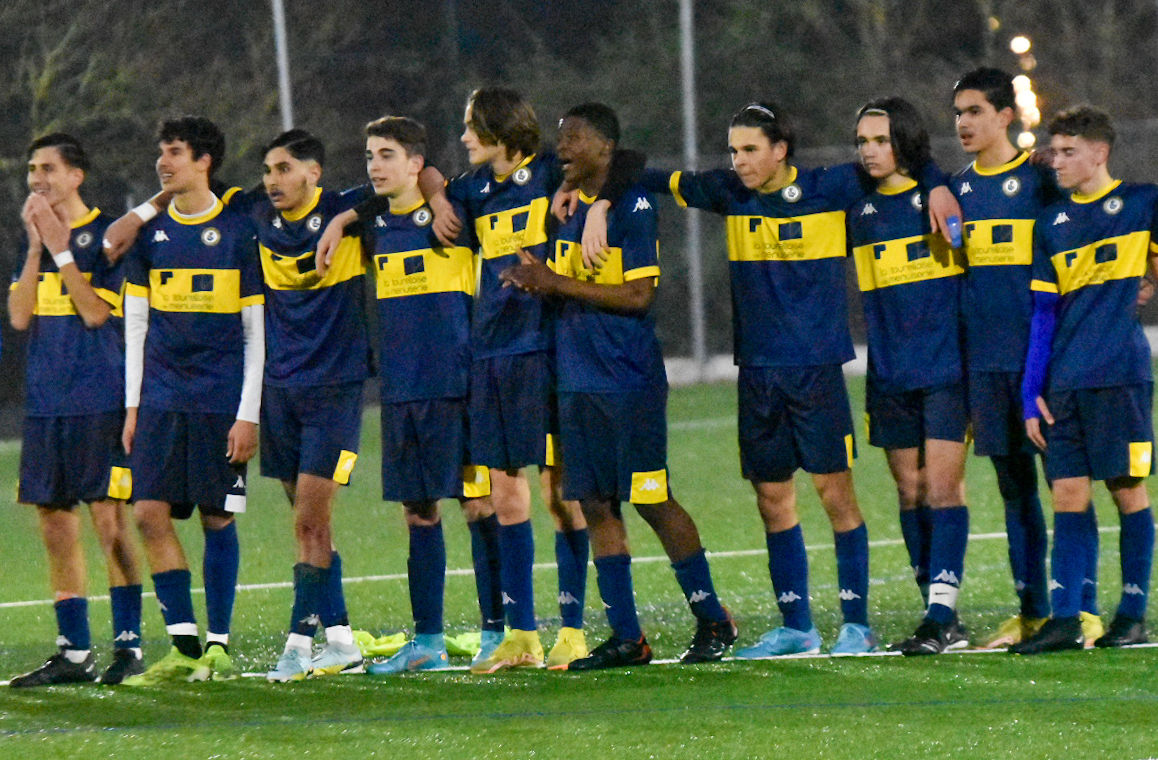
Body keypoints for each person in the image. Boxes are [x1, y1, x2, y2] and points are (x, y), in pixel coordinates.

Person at [616, 102, 960, 656]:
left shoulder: (835, 186)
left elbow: (911, 161)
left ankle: (856, 624)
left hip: (817, 371)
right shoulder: (728, 193)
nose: (739, 160)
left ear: (781, 149)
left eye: (750, 149)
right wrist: (595, 195)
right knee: (772, 500)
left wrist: (939, 185)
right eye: (733, 150)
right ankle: (797, 628)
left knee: (836, 497)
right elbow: (651, 177)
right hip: (756, 374)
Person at [501, 102, 736, 670]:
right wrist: (539, 278)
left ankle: (713, 620)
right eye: (561, 139)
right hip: (576, 380)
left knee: (651, 498)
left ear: (604, 147)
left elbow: (638, 297)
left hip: (626, 382)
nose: (563, 148)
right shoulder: (565, 208)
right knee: (594, 503)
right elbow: (565, 279)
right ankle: (628, 637)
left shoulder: (630, 206)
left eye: (574, 138)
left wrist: (553, 279)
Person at [317, 115, 495, 675]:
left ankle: (498, 632)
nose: (374, 165)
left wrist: (438, 193)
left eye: (387, 154)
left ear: (416, 163)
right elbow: (349, 202)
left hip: (458, 384)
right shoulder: (370, 223)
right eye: (370, 155)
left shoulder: (454, 213)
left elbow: (447, 179)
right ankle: (429, 639)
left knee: (478, 504)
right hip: (401, 389)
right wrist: (341, 219)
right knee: (418, 512)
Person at [949, 68, 1104, 648]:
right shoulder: (957, 190)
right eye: (958, 113)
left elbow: (1091, 217)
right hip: (986, 365)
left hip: (1045, 363)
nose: (963, 122)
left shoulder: (1043, 178)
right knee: (1014, 490)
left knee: (1067, 483)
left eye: (974, 111)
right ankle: (1033, 611)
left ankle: (1081, 608)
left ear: (1005, 116)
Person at [119, 116, 264, 685]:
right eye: (162, 152)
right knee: (148, 513)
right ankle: (183, 645)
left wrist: (247, 412)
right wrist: (132, 406)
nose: (163, 162)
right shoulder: (150, 234)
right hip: (161, 397)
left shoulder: (236, 230)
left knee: (216, 517)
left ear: (203, 160)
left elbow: (255, 331)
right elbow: (135, 323)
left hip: (219, 398)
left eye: (174, 152)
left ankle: (220, 646)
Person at [1013, 105, 1155, 654]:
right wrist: (1031, 393)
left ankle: (1133, 612)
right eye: (1056, 151)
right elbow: (1043, 315)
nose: (1059, 162)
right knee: (1068, 497)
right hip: (1064, 384)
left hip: (1120, 378)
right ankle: (1067, 618)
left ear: (1100, 153)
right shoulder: (1051, 225)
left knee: (1127, 491)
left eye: (1070, 152)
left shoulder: (1142, 204)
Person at [7, 133, 144, 686]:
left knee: (109, 521)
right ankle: (73, 651)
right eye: (32, 170)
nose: (37, 179)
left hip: (98, 399)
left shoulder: (108, 239)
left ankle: (129, 644)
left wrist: (62, 248)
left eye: (47, 169)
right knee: (55, 524)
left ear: (76, 176)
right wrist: (38, 246)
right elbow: (19, 318)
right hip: (46, 404)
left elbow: (94, 313)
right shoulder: (36, 243)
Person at [848, 97, 971, 655]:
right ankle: (933, 608)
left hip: (946, 367)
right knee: (909, 489)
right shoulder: (855, 204)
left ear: (906, 141)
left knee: (944, 488)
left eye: (881, 139)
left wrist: (936, 179)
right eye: (862, 141)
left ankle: (941, 614)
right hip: (890, 371)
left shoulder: (943, 197)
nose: (870, 151)